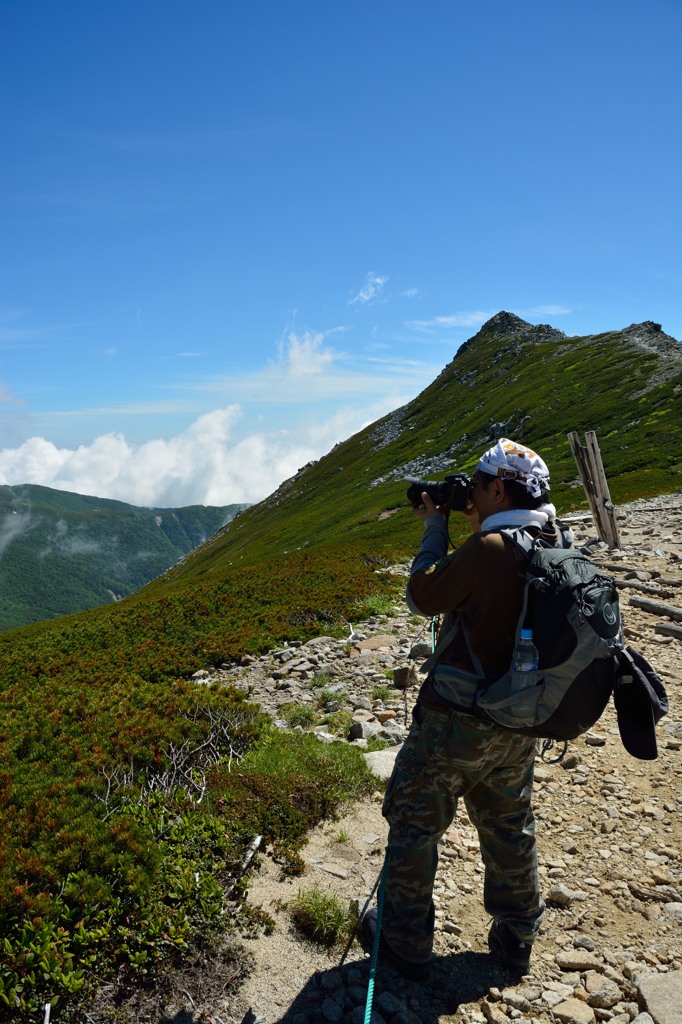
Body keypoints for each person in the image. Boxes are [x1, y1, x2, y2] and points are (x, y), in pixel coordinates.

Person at [363, 438, 566, 981]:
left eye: (477, 485)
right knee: (508, 824)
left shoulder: (490, 548)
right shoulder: (554, 539)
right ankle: (517, 936)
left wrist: (435, 528)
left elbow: (422, 597)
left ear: (498, 487)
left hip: (456, 723)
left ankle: (404, 940)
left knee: (414, 822)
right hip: (520, 719)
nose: (470, 495)